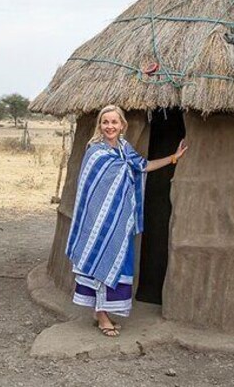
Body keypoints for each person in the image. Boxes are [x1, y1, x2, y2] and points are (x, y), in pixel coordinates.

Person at [66, 104, 188, 337]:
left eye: (114, 122)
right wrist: (98, 221)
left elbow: (144, 166)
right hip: (98, 224)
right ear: (100, 126)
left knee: (116, 263)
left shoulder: (124, 149)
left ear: (123, 125)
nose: (110, 126)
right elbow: (90, 192)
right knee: (100, 260)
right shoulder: (96, 152)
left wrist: (174, 158)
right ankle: (102, 317)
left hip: (120, 222)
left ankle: (101, 312)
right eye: (105, 122)